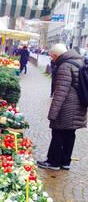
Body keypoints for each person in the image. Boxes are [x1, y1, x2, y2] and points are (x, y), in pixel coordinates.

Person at [37, 43, 88, 171]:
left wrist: (52, 114)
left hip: (67, 107)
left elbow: (60, 92)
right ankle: (65, 162)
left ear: (55, 55)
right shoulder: (79, 61)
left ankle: (53, 162)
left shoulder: (65, 66)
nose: (52, 59)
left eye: (52, 57)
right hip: (79, 106)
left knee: (58, 132)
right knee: (70, 134)